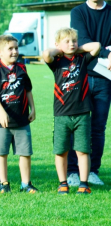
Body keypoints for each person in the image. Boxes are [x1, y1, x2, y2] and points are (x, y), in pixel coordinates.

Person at [42, 28, 100, 195]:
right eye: (67, 41)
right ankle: (63, 183)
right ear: (58, 45)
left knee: (83, 150)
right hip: (62, 114)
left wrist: (77, 48)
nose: (71, 44)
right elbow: (46, 54)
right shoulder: (57, 61)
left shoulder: (82, 59)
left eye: (73, 41)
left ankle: (84, 183)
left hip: (82, 113)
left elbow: (96, 46)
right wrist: (61, 50)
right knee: (61, 151)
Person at [68, 0, 111, 186]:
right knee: (78, 125)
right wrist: (106, 53)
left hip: (105, 79)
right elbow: (81, 41)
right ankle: (72, 172)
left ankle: (93, 170)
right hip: (81, 77)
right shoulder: (78, 12)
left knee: (98, 127)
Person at [0, 34, 37, 194]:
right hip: (2, 121)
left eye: (16, 48)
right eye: (10, 49)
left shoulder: (21, 68)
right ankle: (4, 183)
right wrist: (1, 112)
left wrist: (33, 108)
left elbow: (27, 89)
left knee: (25, 152)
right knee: (0, 153)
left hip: (21, 119)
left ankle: (26, 184)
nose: (15, 51)